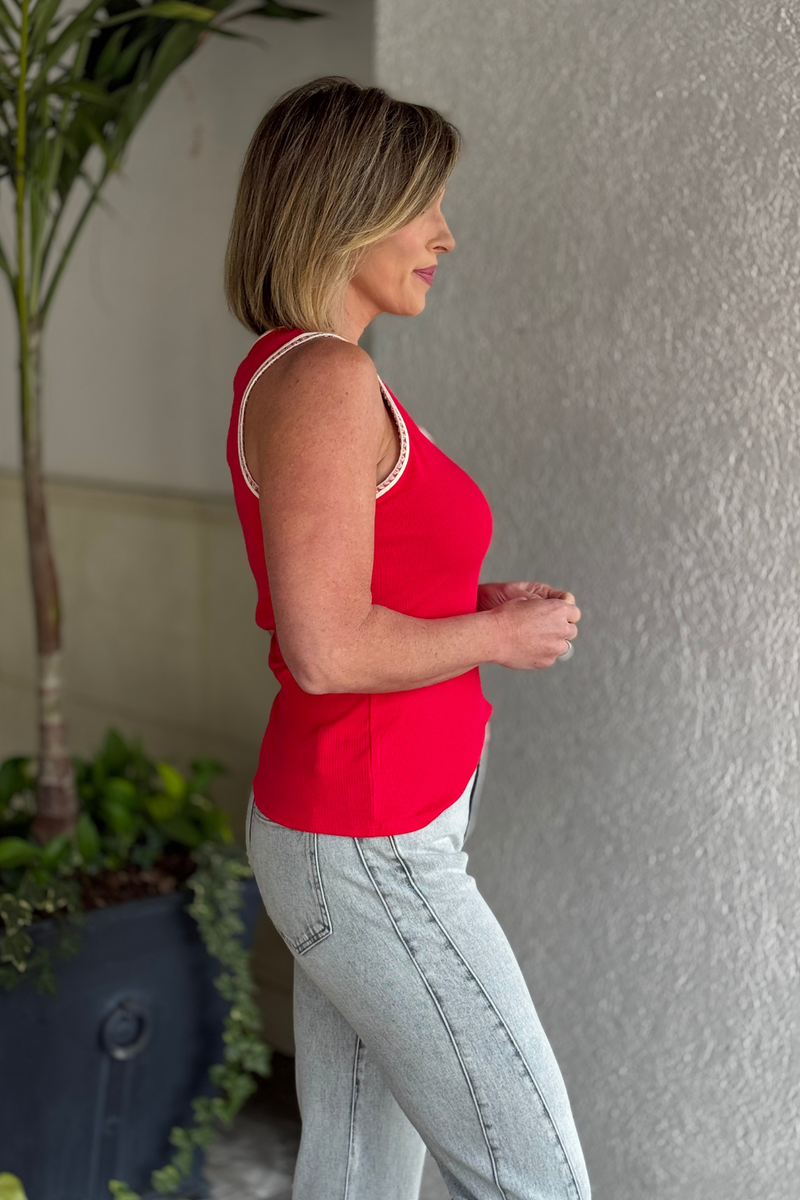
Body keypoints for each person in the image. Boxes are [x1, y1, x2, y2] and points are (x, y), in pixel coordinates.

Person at [223, 75, 589, 1200]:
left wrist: (471, 597)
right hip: (369, 836)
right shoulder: (325, 379)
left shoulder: (311, 374)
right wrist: (490, 636)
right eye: (422, 204)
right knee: (536, 1178)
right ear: (345, 210)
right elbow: (327, 646)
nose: (445, 234)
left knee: (357, 1178)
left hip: (366, 825)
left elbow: (345, 581)